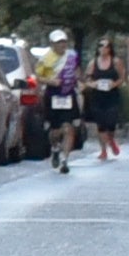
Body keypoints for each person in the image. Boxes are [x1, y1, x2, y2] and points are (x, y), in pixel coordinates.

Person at [39, 29, 83, 172]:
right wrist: (50, 81)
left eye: (63, 41)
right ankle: (55, 148)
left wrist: (79, 80)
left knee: (69, 127)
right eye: (58, 42)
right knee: (55, 131)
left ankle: (65, 160)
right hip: (53, 95)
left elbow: (77, 70)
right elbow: (37, 76)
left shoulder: (72, 55)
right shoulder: (45, 59)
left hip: (68, 94)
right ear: (52, 44)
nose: (62, 45)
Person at [85, 36, 128, 163]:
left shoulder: (116, 62)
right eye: (101, 46)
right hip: (97, 97)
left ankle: (111, 140)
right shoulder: (93, 63)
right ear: (97, 48)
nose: (103, 49)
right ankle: (103, 150)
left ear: (110, 49)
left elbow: (122, 78)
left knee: (111, 122)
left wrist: (114, 84)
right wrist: (92, 84)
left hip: (112, 96)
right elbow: (87, 78)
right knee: (101, 124)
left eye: (106, 46)